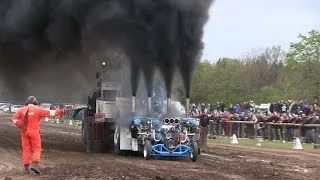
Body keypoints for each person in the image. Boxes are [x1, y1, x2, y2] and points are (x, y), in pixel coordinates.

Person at [11, 96, 68, 175]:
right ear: (35, 102)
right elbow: (51, 113)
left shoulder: (21, 109)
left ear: (27, 102)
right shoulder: (38, 109)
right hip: (34, 132)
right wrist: (62, 111)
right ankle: (35, 165)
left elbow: (14, 119)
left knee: (26, 149)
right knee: (37, 149)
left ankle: (26, 168)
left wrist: (21, 125)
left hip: (24, 132)